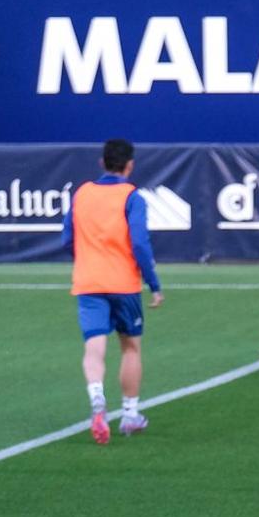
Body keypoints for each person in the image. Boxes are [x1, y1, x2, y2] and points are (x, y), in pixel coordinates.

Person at [61, 137, 163, 444]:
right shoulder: (132, 197)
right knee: (130, 347)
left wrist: (87, 260)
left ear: (101, 163)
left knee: (94, 346)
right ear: (129, 165)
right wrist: (154, 283)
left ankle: (97, 399)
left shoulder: (82, 193)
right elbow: (140, 243)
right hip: (123, 284)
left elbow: (67, 238)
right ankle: (130, 414)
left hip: (89, 282)